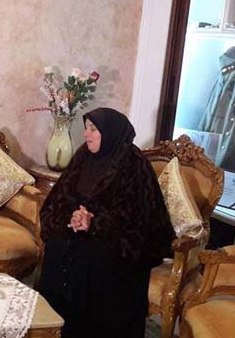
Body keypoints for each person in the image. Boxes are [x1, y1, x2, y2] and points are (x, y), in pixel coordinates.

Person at [37, 107, 175, 338]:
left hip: (122, 242)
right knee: (57, 244)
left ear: (110, 132)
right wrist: (73, 216)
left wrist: (95, 223)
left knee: (88, 258)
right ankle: (51, 326)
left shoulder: (134, 163)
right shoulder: (83, 155)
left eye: (93, 129)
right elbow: (62, 195)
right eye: (86, 129)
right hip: (84, 228)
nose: (86, 135)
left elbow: (137, 218)